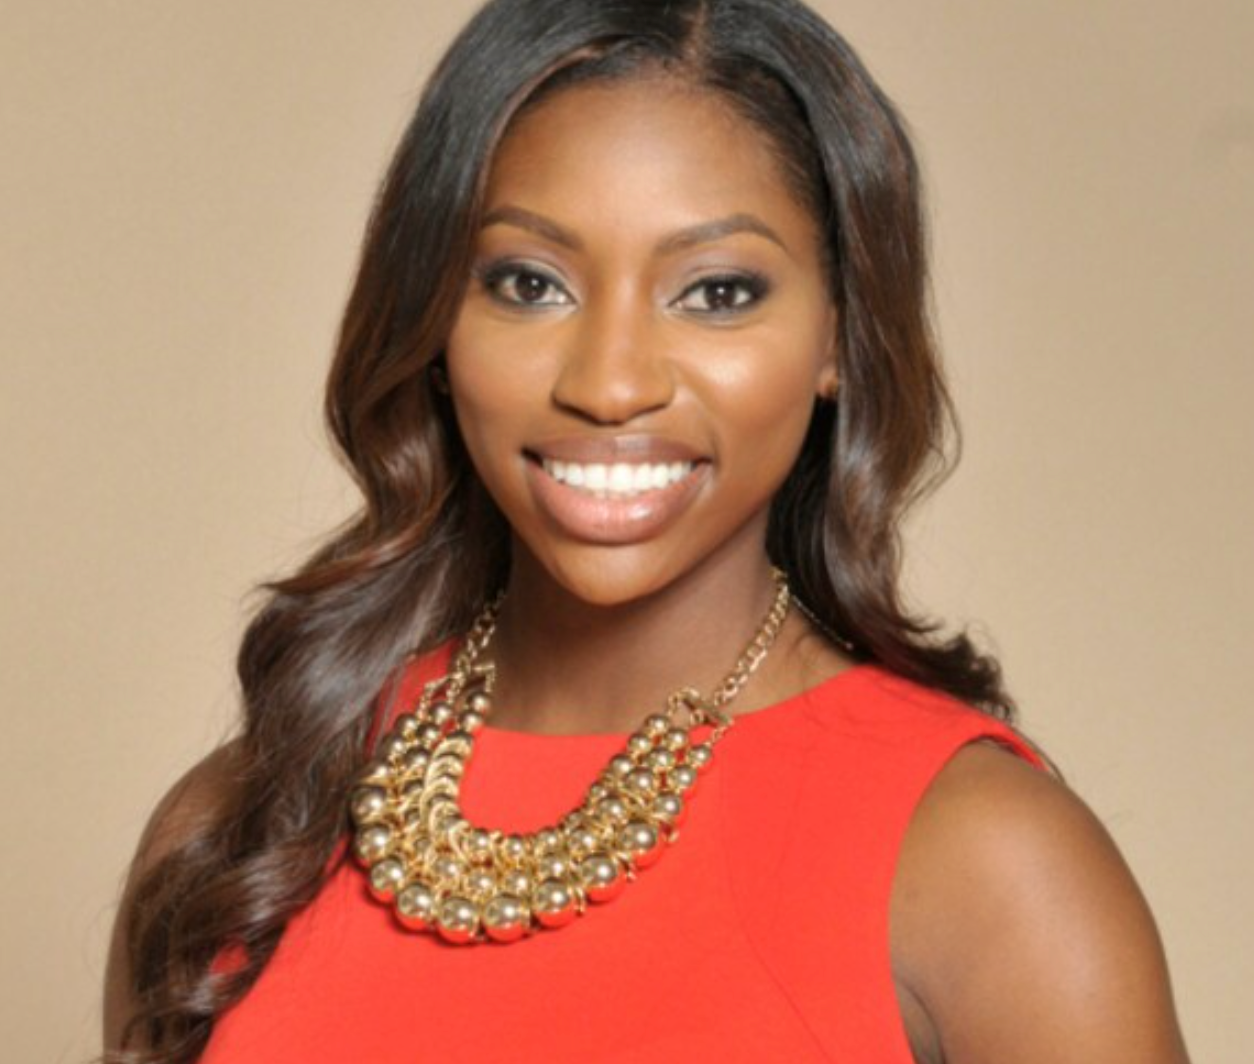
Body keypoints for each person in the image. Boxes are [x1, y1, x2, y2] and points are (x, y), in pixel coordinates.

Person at [103, 0, 1189, 1061]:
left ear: (839, 336)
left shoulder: (985, 867)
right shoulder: (235, 835)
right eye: (529, 283)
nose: (610, 382)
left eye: (716, 293)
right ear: (435, 320)